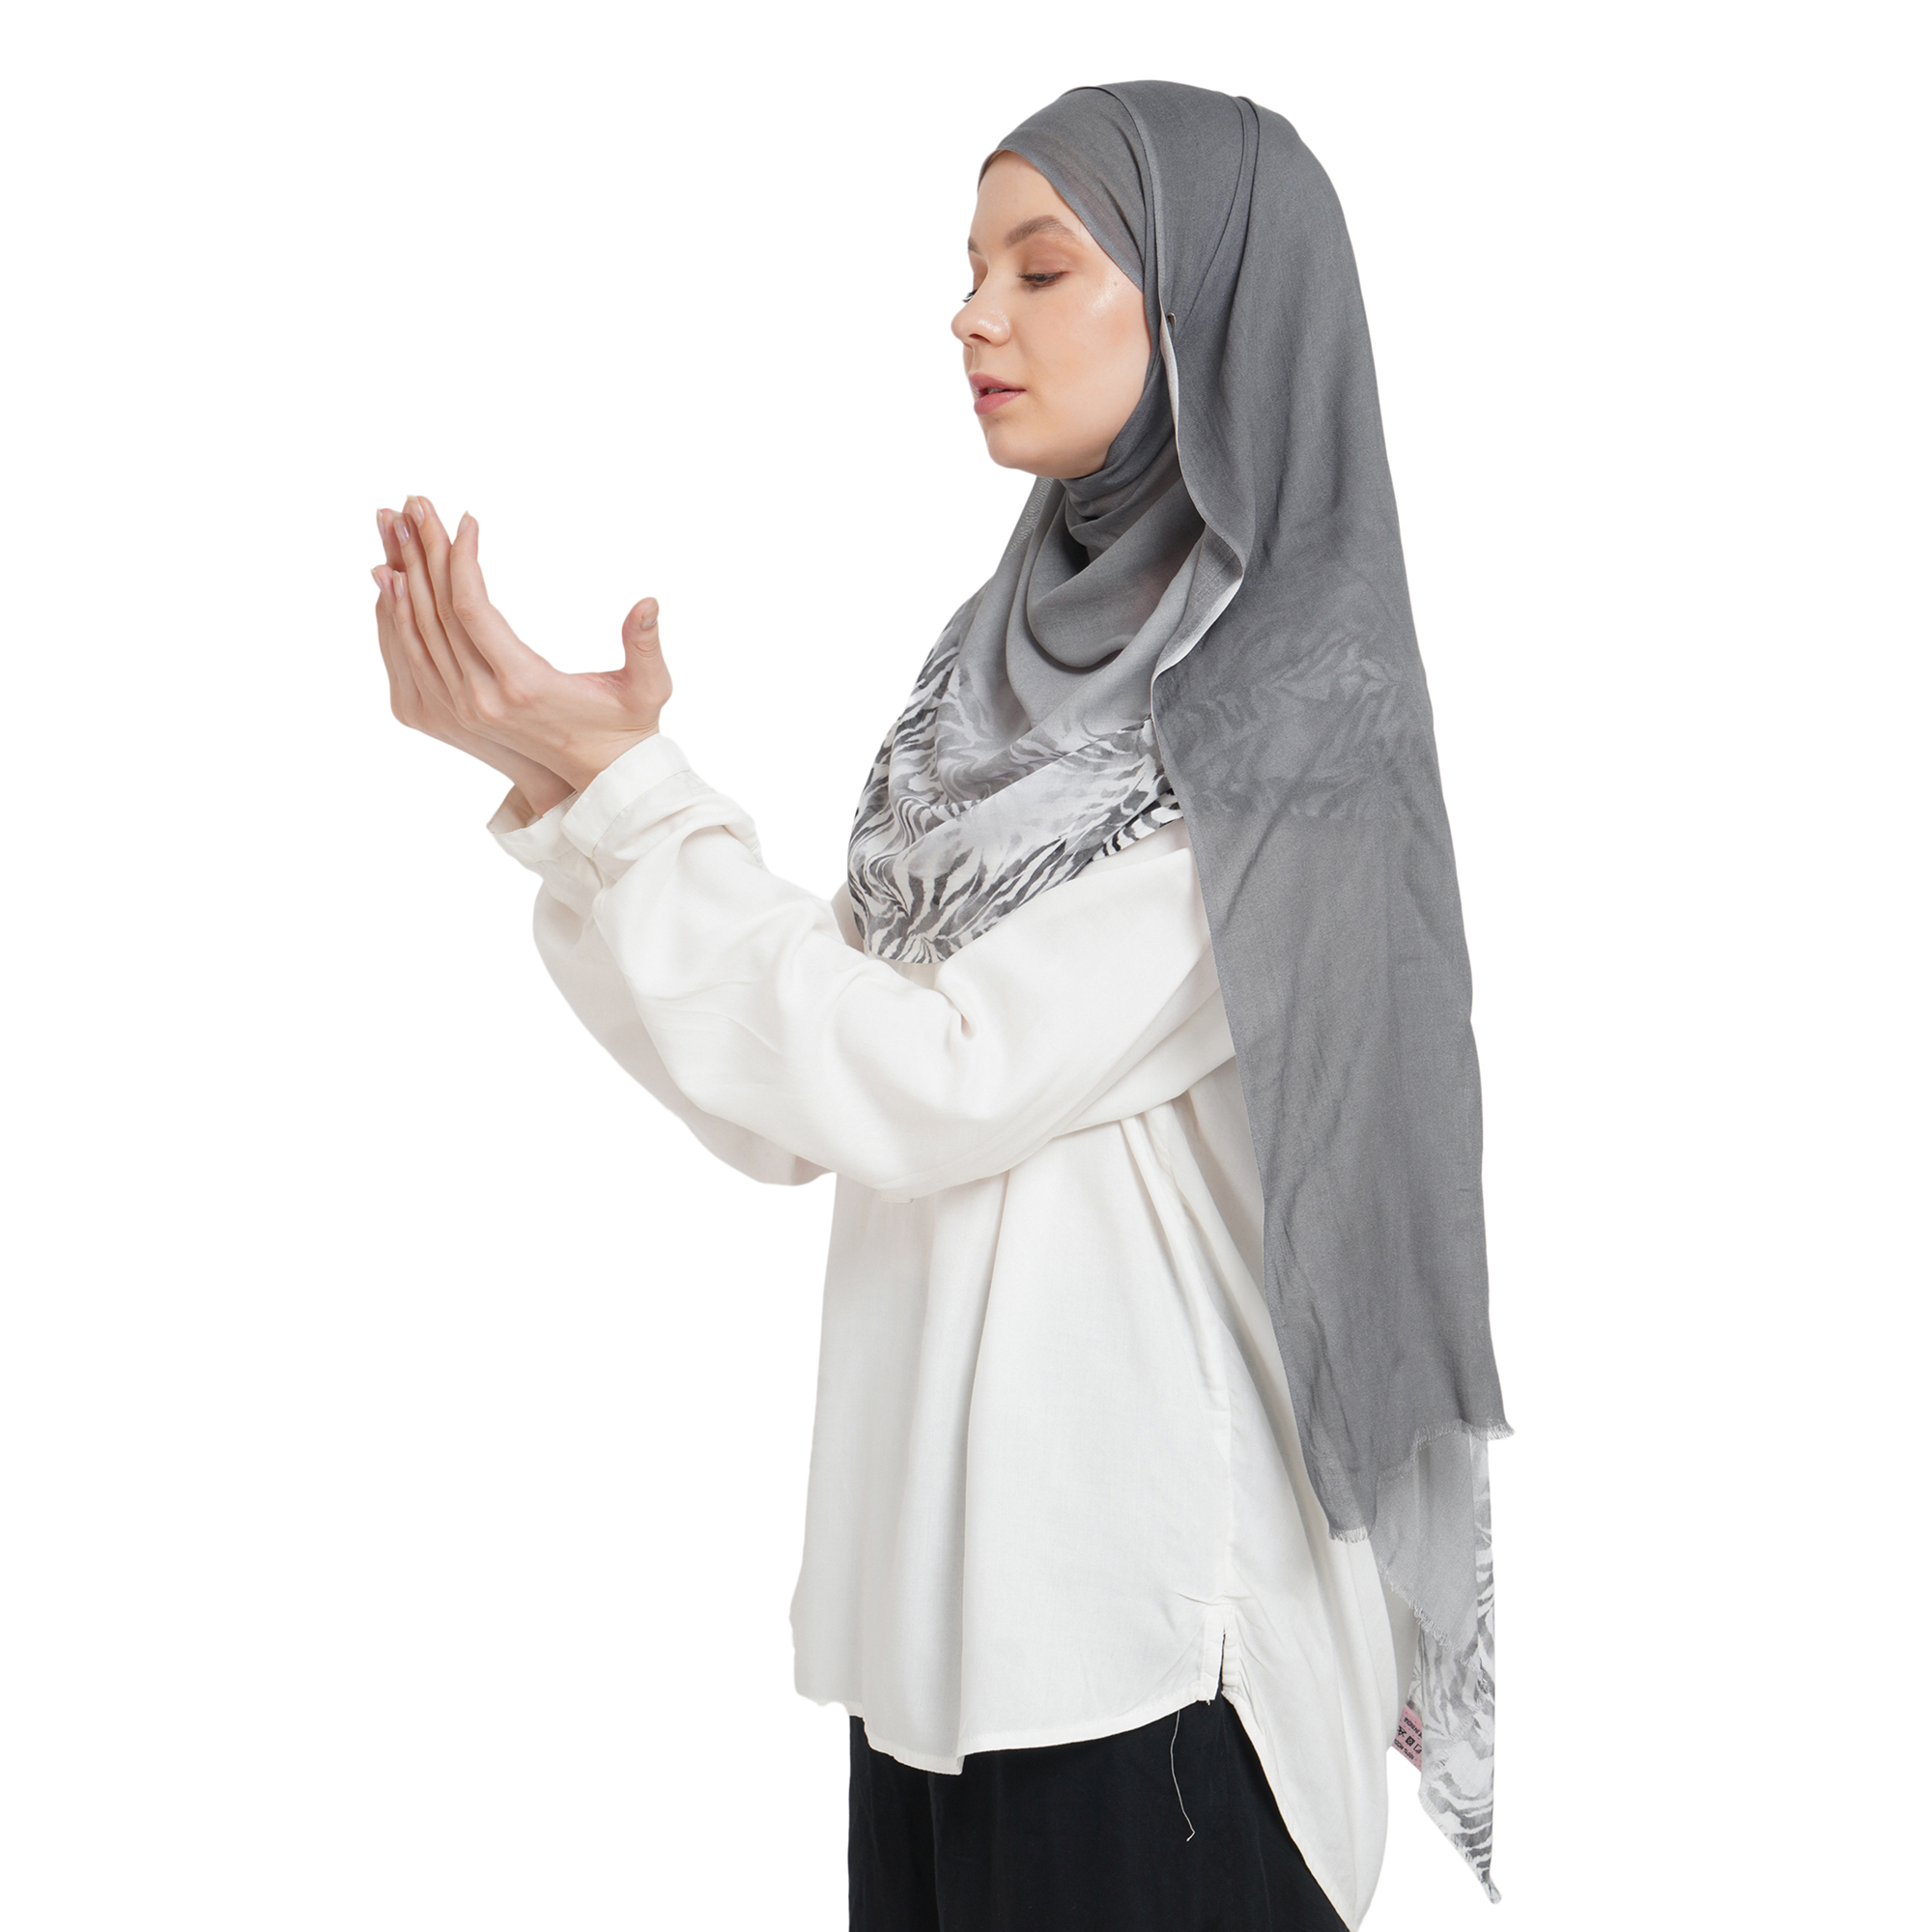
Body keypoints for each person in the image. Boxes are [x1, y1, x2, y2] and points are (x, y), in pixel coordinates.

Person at [369, 80, 1509, 1932]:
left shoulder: (1285, 720)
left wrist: (632, 804)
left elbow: (929, 1081)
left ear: (1211, 307)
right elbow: (790, 1097)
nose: (974, 315)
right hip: (942, 1638)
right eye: (972, 269)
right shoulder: (985, 682)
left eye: (1042, 271)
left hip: (1150, 1653)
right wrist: (574, 803)